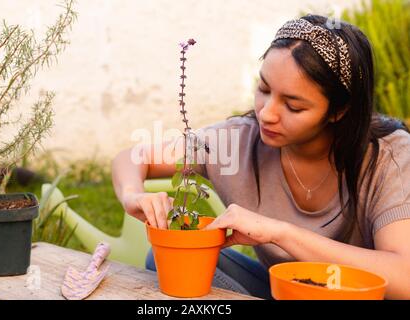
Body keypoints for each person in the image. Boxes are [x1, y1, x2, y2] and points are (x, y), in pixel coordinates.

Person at [111, 14, 410, 299]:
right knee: (171, 260)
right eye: (264, 89)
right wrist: (131, 194)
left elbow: (404, 278)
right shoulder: (239, 141)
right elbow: (134, 157)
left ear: (338, 111)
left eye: (293, 106)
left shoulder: (389, 157)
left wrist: (278, 233)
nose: (266, 113)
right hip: (281, 291)